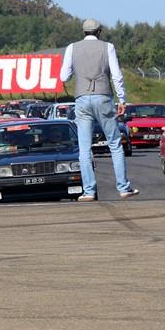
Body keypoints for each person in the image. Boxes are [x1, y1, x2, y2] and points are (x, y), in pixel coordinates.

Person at [60, 19, 138, 201]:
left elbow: (64, 75)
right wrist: (122, 99)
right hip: (103, 96)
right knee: (115, 144)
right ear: (99, 31)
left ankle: (88, 191)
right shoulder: (108, 47)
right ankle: (123, 187)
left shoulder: (72, 48)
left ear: (83, 32)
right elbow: (117, 75)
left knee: (85, 148)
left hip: (81, 98)